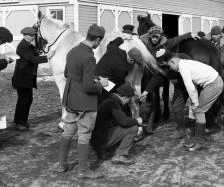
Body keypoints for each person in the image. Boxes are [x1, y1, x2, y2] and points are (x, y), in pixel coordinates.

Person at [58, 24, 109, 179]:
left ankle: (62, 165)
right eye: (100, 41)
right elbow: (88, 87)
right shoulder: (89, 57)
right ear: (98, 40)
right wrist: (101, 84)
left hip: (70, 99)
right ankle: (82, 171)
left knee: (68, 131)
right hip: (84, 102)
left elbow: (68, 73)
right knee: (84, 135)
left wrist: (90, 78)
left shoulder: (73, 51)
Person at [139, 25, 198, 133]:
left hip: (162, 71)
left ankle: (156, 118)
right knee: (150, 97)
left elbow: (177, 39)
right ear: (149, 36)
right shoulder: (143, 43)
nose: (155, 39)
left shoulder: (165, 43)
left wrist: (189, 34)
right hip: (148, 73)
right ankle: (151, 120)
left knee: (159, 95)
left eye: (157, 37)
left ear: (160, 37)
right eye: (153, 37)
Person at [165, 52, 224, 151]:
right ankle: (198, 140)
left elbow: (190, 87)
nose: (170, 68)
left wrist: (195, 102)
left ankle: (199, 143)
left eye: (169, 65)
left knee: (199, 110)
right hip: (213, 82)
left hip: (213, 84)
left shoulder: (183, 67)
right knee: (198, 110)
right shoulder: (185, 64)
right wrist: (194, 101)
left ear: (173, 61)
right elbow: (195, 85)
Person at [12, 27, 54, 131]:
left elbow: (35, 54)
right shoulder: (22, 46)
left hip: (28, 78)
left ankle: (23, 121)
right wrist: (47, 57)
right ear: (25, 35)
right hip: (22, 78)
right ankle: (18, 122)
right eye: (31, 35)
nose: (33, 37)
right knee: (23, 100)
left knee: (28, 99)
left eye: (34, 35)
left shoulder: (29, 46)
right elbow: (32, 59)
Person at [91, 83, 139, 165]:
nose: (128, 102)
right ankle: (119, 155)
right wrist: (137, 121)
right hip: (101, 140)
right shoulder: (113, 103)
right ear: (125, 97)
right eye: (129, 100)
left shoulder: (109, 100)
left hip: (95, 138)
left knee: (118, 126)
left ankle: (103, 151)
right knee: (133, 127)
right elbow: (124, 122)